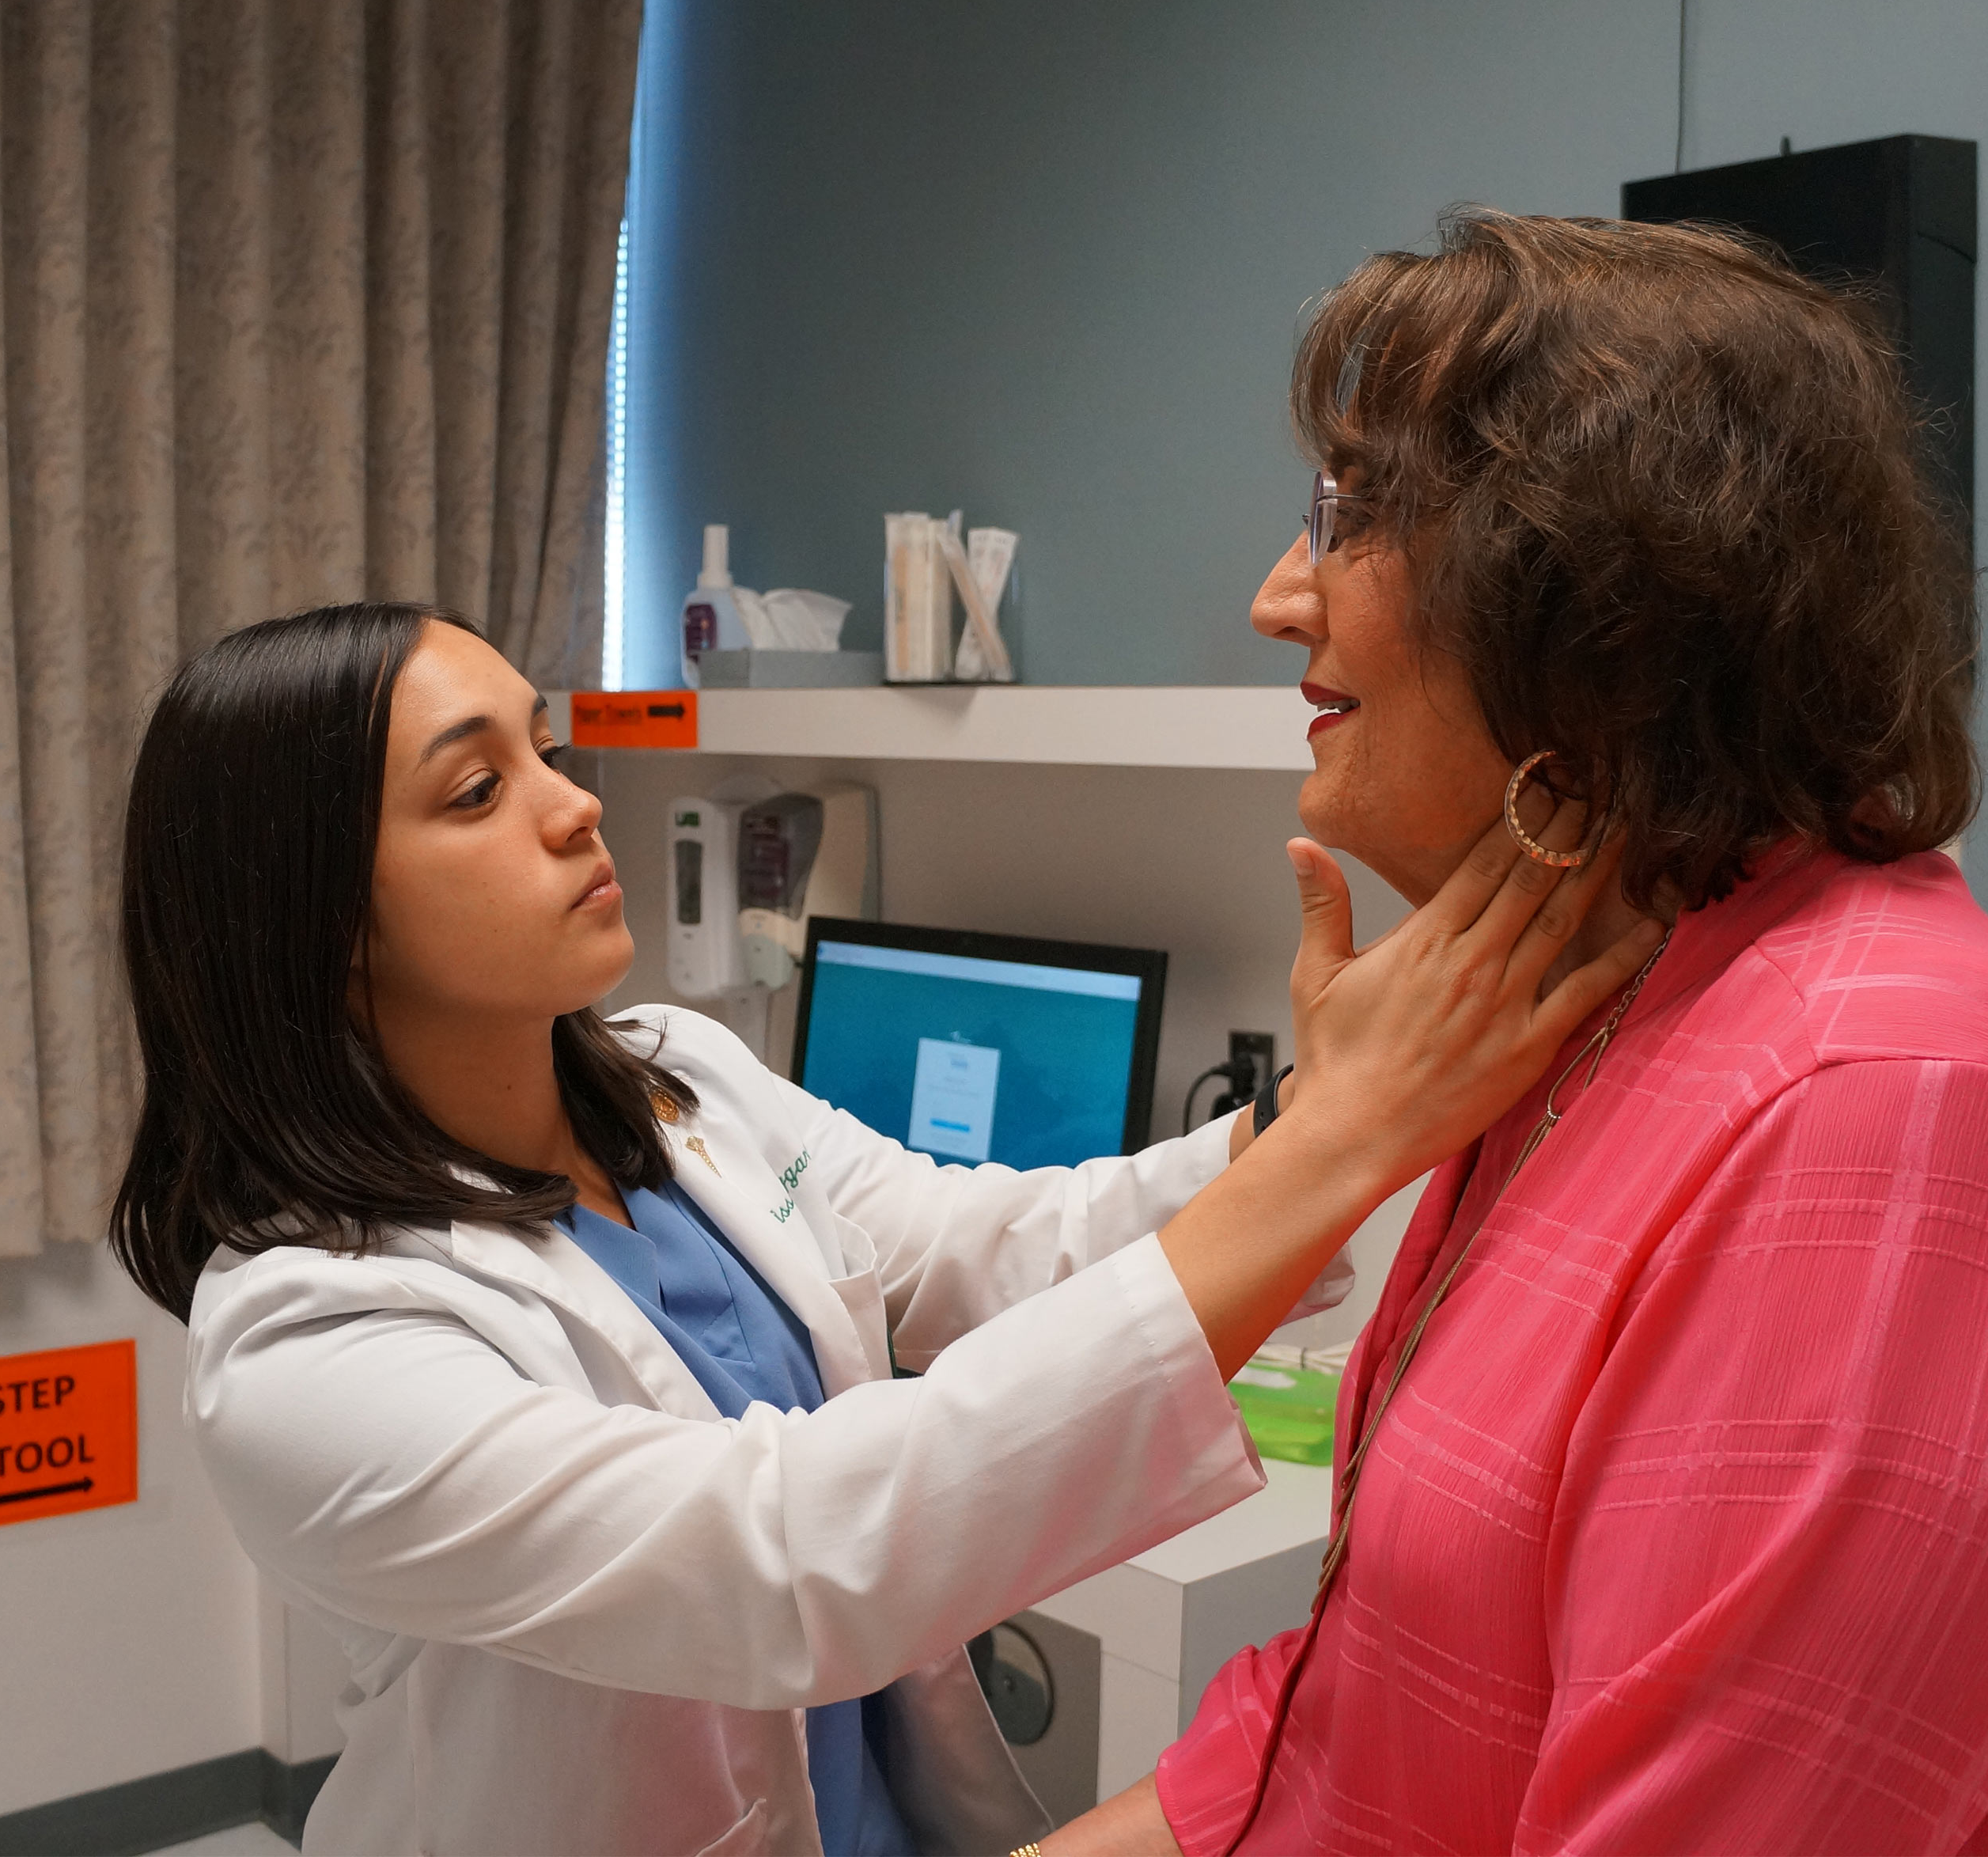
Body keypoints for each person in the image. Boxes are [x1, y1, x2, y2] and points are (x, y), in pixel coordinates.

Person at [108, 599, 1664, 1855]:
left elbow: (995, 1243)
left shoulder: (678, 1081)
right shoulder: (310, 1337)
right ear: (325, 924)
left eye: (546, 745)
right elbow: (781, 1560)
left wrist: (1308, 1116)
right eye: (477, 787)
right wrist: (1342, 1140)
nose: (577, 803)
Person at [1049, 211, 1988, 1855]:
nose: (1275, 596)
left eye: (1358, 513)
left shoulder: (1891, 1106)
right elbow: (1350, 1706)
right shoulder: (1590, 1021)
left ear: (1599, 596)